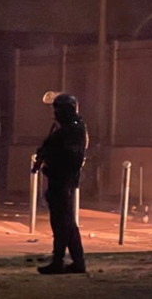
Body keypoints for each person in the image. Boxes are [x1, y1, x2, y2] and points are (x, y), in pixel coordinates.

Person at [32, 93, 87, 275]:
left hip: (64, 180)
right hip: (60, 180)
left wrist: (50, 151)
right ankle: (76, 261)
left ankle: (60, 260)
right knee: (65, 223)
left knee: (63, 223)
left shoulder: (73, 129)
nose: (55, 114)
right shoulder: (68, 129)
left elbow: (68, 155)